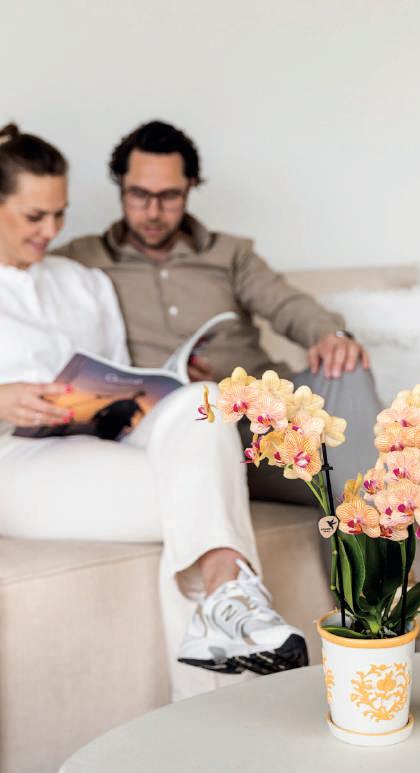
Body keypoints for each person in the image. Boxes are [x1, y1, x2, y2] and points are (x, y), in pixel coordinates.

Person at [0, 124, 308, 702]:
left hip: (97, 444)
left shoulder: (82, 282)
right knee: (200, 493)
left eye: (60, 215)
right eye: (34, 216)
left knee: (203, 401)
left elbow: (118, 375)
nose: (51, 231)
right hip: (14, 460)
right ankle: (229, 609)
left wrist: (159, 384)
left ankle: (223, 610)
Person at [56, 120, 383, 503]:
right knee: (342, 468)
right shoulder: (81, 260)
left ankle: (366, 499)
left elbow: (285, 303)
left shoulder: (229, 254)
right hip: (193, 428)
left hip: (267, 412)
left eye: (169, 196)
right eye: (139, 195)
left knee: (348, 364)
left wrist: (331, 336)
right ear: (121, 186)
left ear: (190, 186)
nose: (153, 212)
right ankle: (371, 505)